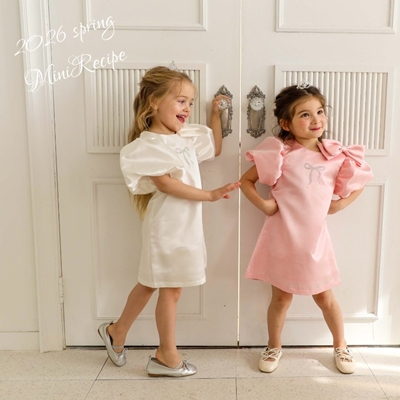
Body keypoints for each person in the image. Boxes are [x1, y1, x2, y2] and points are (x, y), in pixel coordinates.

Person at [98, 66, 240, 378]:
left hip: (185, 225)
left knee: (151, 283)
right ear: (153, 102)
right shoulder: (149, 145)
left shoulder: (183, 138)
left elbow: (214, 148)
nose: (187, 109)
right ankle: (166, 355)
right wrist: (209, 195)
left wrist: (214, 115)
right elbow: (165, 184)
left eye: (190, 103)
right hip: (167, 225)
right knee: (170, 288)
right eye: (181, 101)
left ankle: (116, 331)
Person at [240, 83, 373, 374]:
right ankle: (274, 345)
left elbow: (361, 182)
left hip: (315, 241)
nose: (316, 119)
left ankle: (341, 345)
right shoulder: (280, 154)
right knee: (280, 298)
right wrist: (264, 205)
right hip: (283, 237)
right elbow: (246, 181)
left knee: (324, 297)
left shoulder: (336, 156)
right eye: (305, 114)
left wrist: (340, 204)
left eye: (320, 112)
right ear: (286, 123)